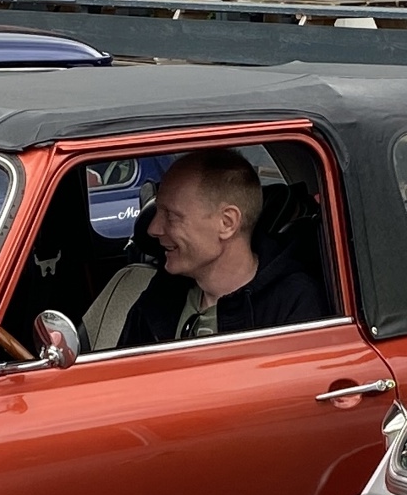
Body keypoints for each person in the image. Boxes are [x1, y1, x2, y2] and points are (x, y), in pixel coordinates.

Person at [82, 149, 329, 350]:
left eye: (172, 216)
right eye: (158, 211)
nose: (153, 228)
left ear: (227, 223)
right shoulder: (162, 294)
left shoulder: (293, 304)